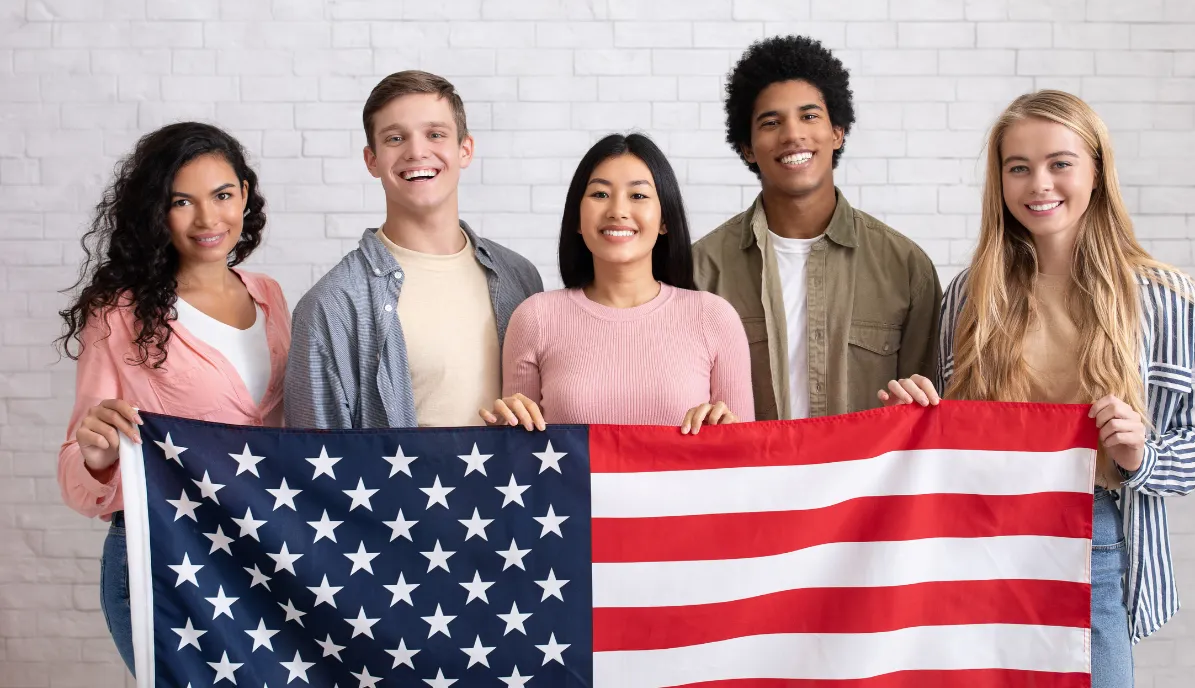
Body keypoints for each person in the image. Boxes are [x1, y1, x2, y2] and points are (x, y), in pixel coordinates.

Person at [878, 90, 1195, 688]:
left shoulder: (1166, 299)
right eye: (1019, 167)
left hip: (1095, 535)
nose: (1039, 183)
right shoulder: (971, 296)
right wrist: (917, 417)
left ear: (1096, 171)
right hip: (982, 539)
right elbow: (957, 440)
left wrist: (1142, 454)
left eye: (1060, 163)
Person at [55, 123, 291, 673]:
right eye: (182, 201)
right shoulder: (118, 314)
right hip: (162, 555)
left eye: (222, 195)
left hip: (256, 555)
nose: (208, 220)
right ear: (155, 212)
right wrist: (96, 456)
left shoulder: (271, 296)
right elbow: (75, 468)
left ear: (245, 196)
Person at [694, 35, 941, 422]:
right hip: (749, 478)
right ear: (746, 147)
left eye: (809, 116)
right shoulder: (701, 271)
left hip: (866, 482)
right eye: (771, 122)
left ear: (837, 132)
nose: (793, 134)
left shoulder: (906, 268)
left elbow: (930, 414)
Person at [285, 70, 542, 429]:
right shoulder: (331, 306)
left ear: (464, 149)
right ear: (371, 160)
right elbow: (318, 463)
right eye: (395, 138)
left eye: (435, 134)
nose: (417, 151)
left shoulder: (520, 277)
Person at [480, 133, 753, 433]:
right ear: (577, 219)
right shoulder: (534, 317)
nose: (617, 211)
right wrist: (504, 432)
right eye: (599, 194)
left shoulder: (713, 318)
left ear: (665, 219)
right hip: (574, 482)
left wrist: (729, 430)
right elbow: (523, 455)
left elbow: (741, 462)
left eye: (638, 196)